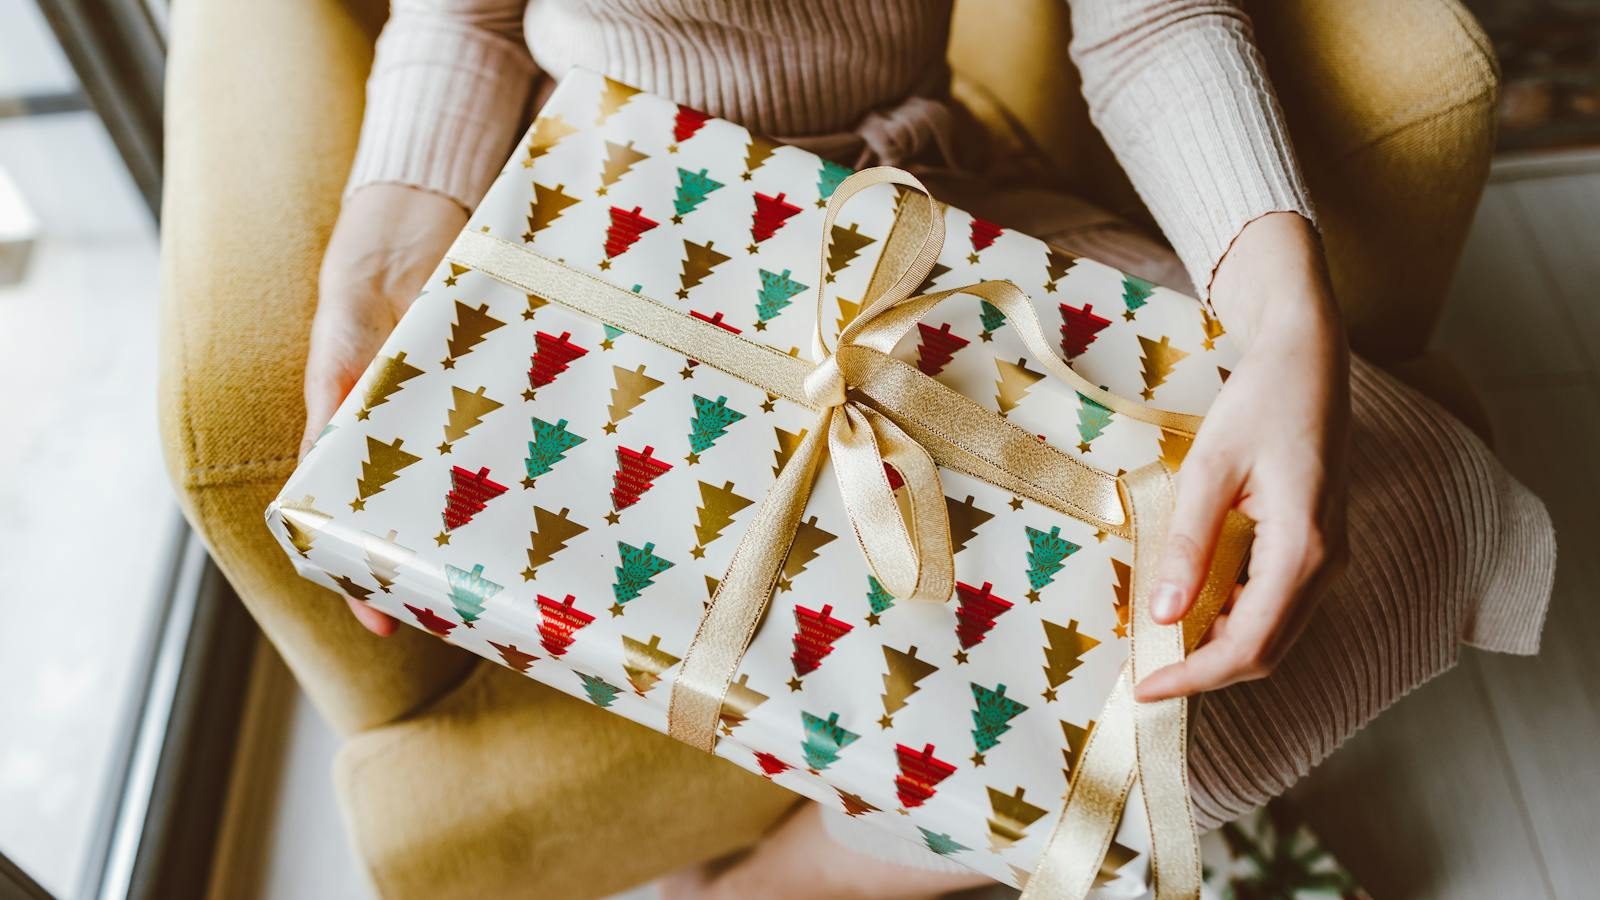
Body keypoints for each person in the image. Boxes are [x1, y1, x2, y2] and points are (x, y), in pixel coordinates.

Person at [300, 2, 1556, 897]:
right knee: (1110, 742)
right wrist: (374, 262)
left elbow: (1148, 19)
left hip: (930, 211)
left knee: (1420, 506)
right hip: (622, 241)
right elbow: (458, 20)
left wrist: (1284, 322)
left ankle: (793, 883)